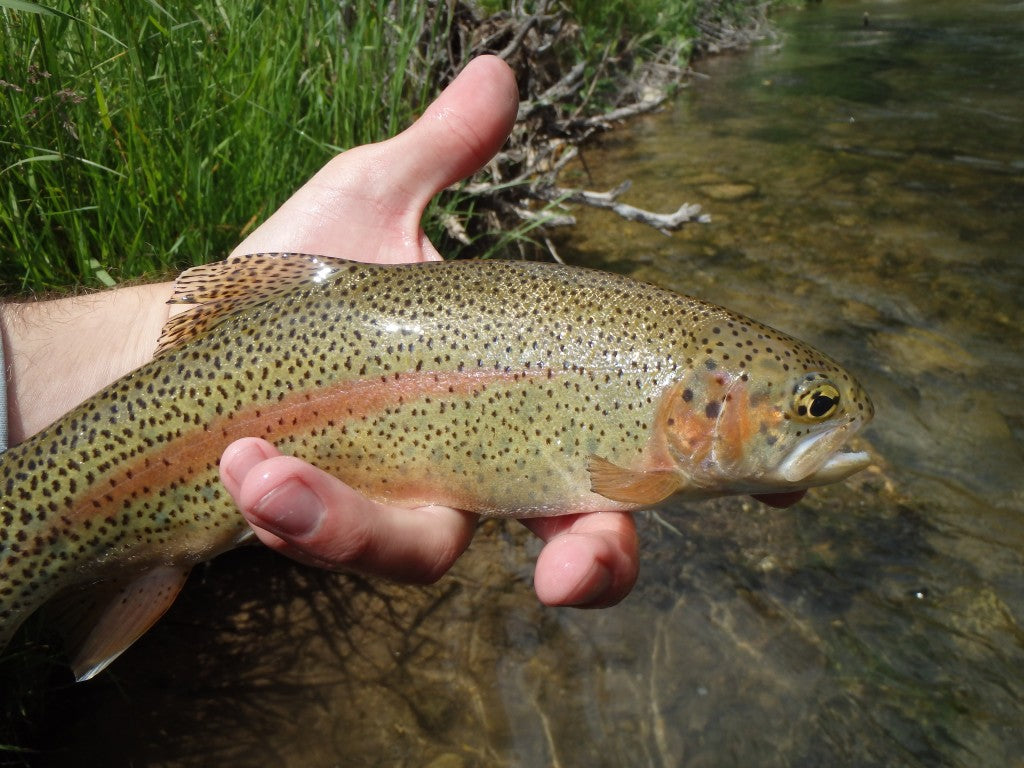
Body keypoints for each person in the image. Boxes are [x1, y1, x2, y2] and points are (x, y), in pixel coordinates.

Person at [0, 56, 801, 610]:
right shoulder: (664, 445)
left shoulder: (679, 400)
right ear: (704, 407)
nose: (818, 424)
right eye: (813, 406)